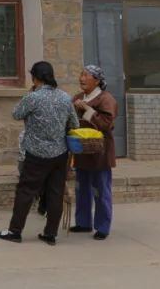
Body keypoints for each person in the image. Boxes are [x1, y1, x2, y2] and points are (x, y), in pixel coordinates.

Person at [0, 61, 78, 245]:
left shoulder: (33, 97)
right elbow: (74, 124)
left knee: (25, 192)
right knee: (55, 193)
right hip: (60, 154)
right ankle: (50, 234)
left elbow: (16, 114)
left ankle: (15, 231)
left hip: (36, 154)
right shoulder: (65, 97)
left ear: (35, 78)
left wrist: (29, 95)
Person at [70, 65, 118, 240]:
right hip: (82, 151)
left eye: (86, 75)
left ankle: (102, 227)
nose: (81, 78)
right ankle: (83, 223)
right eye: (81, 74)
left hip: (100, 153)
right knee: (81, 189)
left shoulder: (106, 99)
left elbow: (106, 123)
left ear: (97, 80)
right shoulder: (77, 97)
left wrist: (86, 109)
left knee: (101, 190)